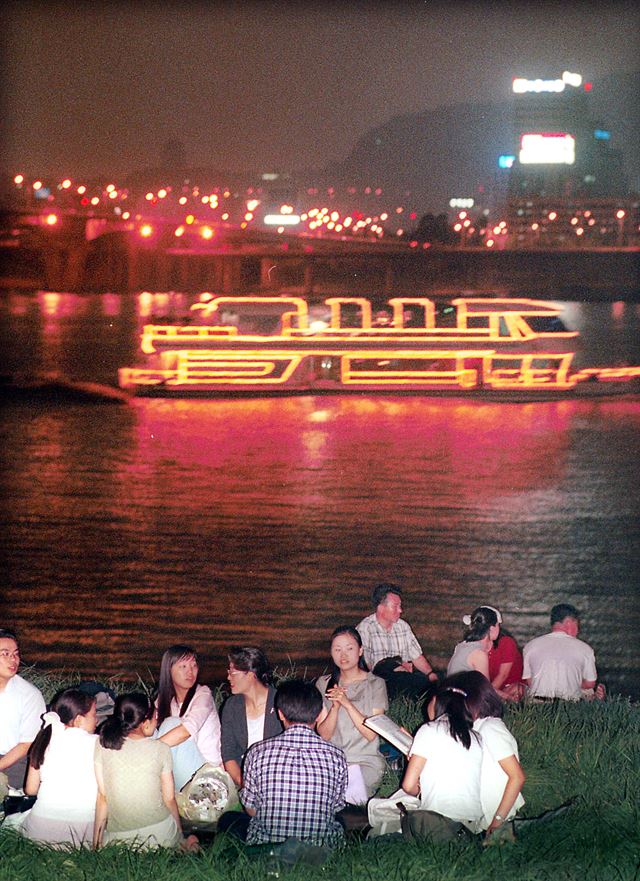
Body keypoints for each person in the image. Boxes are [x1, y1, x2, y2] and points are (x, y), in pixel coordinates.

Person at [219, 679, 347, 848]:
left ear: (280, 714)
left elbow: (250, 808)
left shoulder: (257, 752)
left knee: (227, 820)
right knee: (339, 820)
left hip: (266, 846)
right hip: (320, 849)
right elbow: (335, 806)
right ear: (317, 716)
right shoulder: (336, 755)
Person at [401, 673, 525, 837]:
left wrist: (496, 823)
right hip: (474, 819)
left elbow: (517, 777)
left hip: (492, 818)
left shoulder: (489, 727)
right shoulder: (469, 732)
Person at [94, 691, 197, 850]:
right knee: (192, 839)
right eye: (155, 718)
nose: (157, 722)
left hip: (119, 840)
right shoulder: (161, 749)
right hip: (160, 835)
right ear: (145, 723)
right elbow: (169, 799)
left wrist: (96, 844)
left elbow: (103, 796)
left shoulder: (103, 744)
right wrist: (179, 836)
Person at [316, 626, 387, 804]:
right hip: (332, 762)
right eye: (337, 649)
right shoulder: (323, 683)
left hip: (364, 762)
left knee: (344, 794)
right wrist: (335, 706)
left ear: (360, 650)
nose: (343, 655)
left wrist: (347, 704)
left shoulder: (375, 684)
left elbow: (371, 734)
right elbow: (324, 735)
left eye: (349, 648)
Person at [18, 688, 98, 847]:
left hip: (39, 831)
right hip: (82, 834)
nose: (97, 720)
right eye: (94, 715)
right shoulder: (97, 743)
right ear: (78, 720)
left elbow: (31, 790)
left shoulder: (44, 738)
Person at [156, 644, 222, 790]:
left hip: (207, 775)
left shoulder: (202, 694)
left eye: (194, 666)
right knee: (149, 730)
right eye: (183, 666)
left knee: (171, 724)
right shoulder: (165, 701)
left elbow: (186, 731)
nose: (190, 672)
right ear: (169, 669)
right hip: (183, 773)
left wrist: (149, 750)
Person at [356, 584, 438, 699]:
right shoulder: (365, 628)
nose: (400, 610)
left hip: (405, 678)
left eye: (400, 606)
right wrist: (396, 667)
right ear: (381, 608)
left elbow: (417, 657)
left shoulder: (403, 626)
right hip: (381, 681)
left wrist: (430, 674)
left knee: (433, 684)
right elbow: (366, 666)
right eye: (395, 606)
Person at [220, 646, 283, 788]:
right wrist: (244, 785)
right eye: (228, 671)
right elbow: (228, 753)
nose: (228, 677)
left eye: (233, 673)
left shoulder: (280, 701)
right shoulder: (231, 706)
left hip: (278, 780)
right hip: (244, 782)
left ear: (250, 675)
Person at [522, 603, 602, 701]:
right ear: (569, 623)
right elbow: (590, 684)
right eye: (577, 625)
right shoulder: (585, 648)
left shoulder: (530, 646)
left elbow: (530, 682)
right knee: (589, 691)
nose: (578, 630)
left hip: (538, 703)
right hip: (569, 704)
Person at [0, 628, 46, 790]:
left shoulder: (29, 695)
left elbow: (26, 744)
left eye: (16, 654)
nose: (13, 659)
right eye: (5, 654)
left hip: (13, 762)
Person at [447, 606, 501, 679]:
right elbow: (485, 689)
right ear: (491, 628)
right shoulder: (478, 653)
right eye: (498, 625)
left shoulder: (463, 645)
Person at [487, 612, 526, 701]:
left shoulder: (506, 642)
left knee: (517, 689)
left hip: (511, 687)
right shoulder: (476, 645)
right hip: (494, 690)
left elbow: (503, 675)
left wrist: (487, 694)